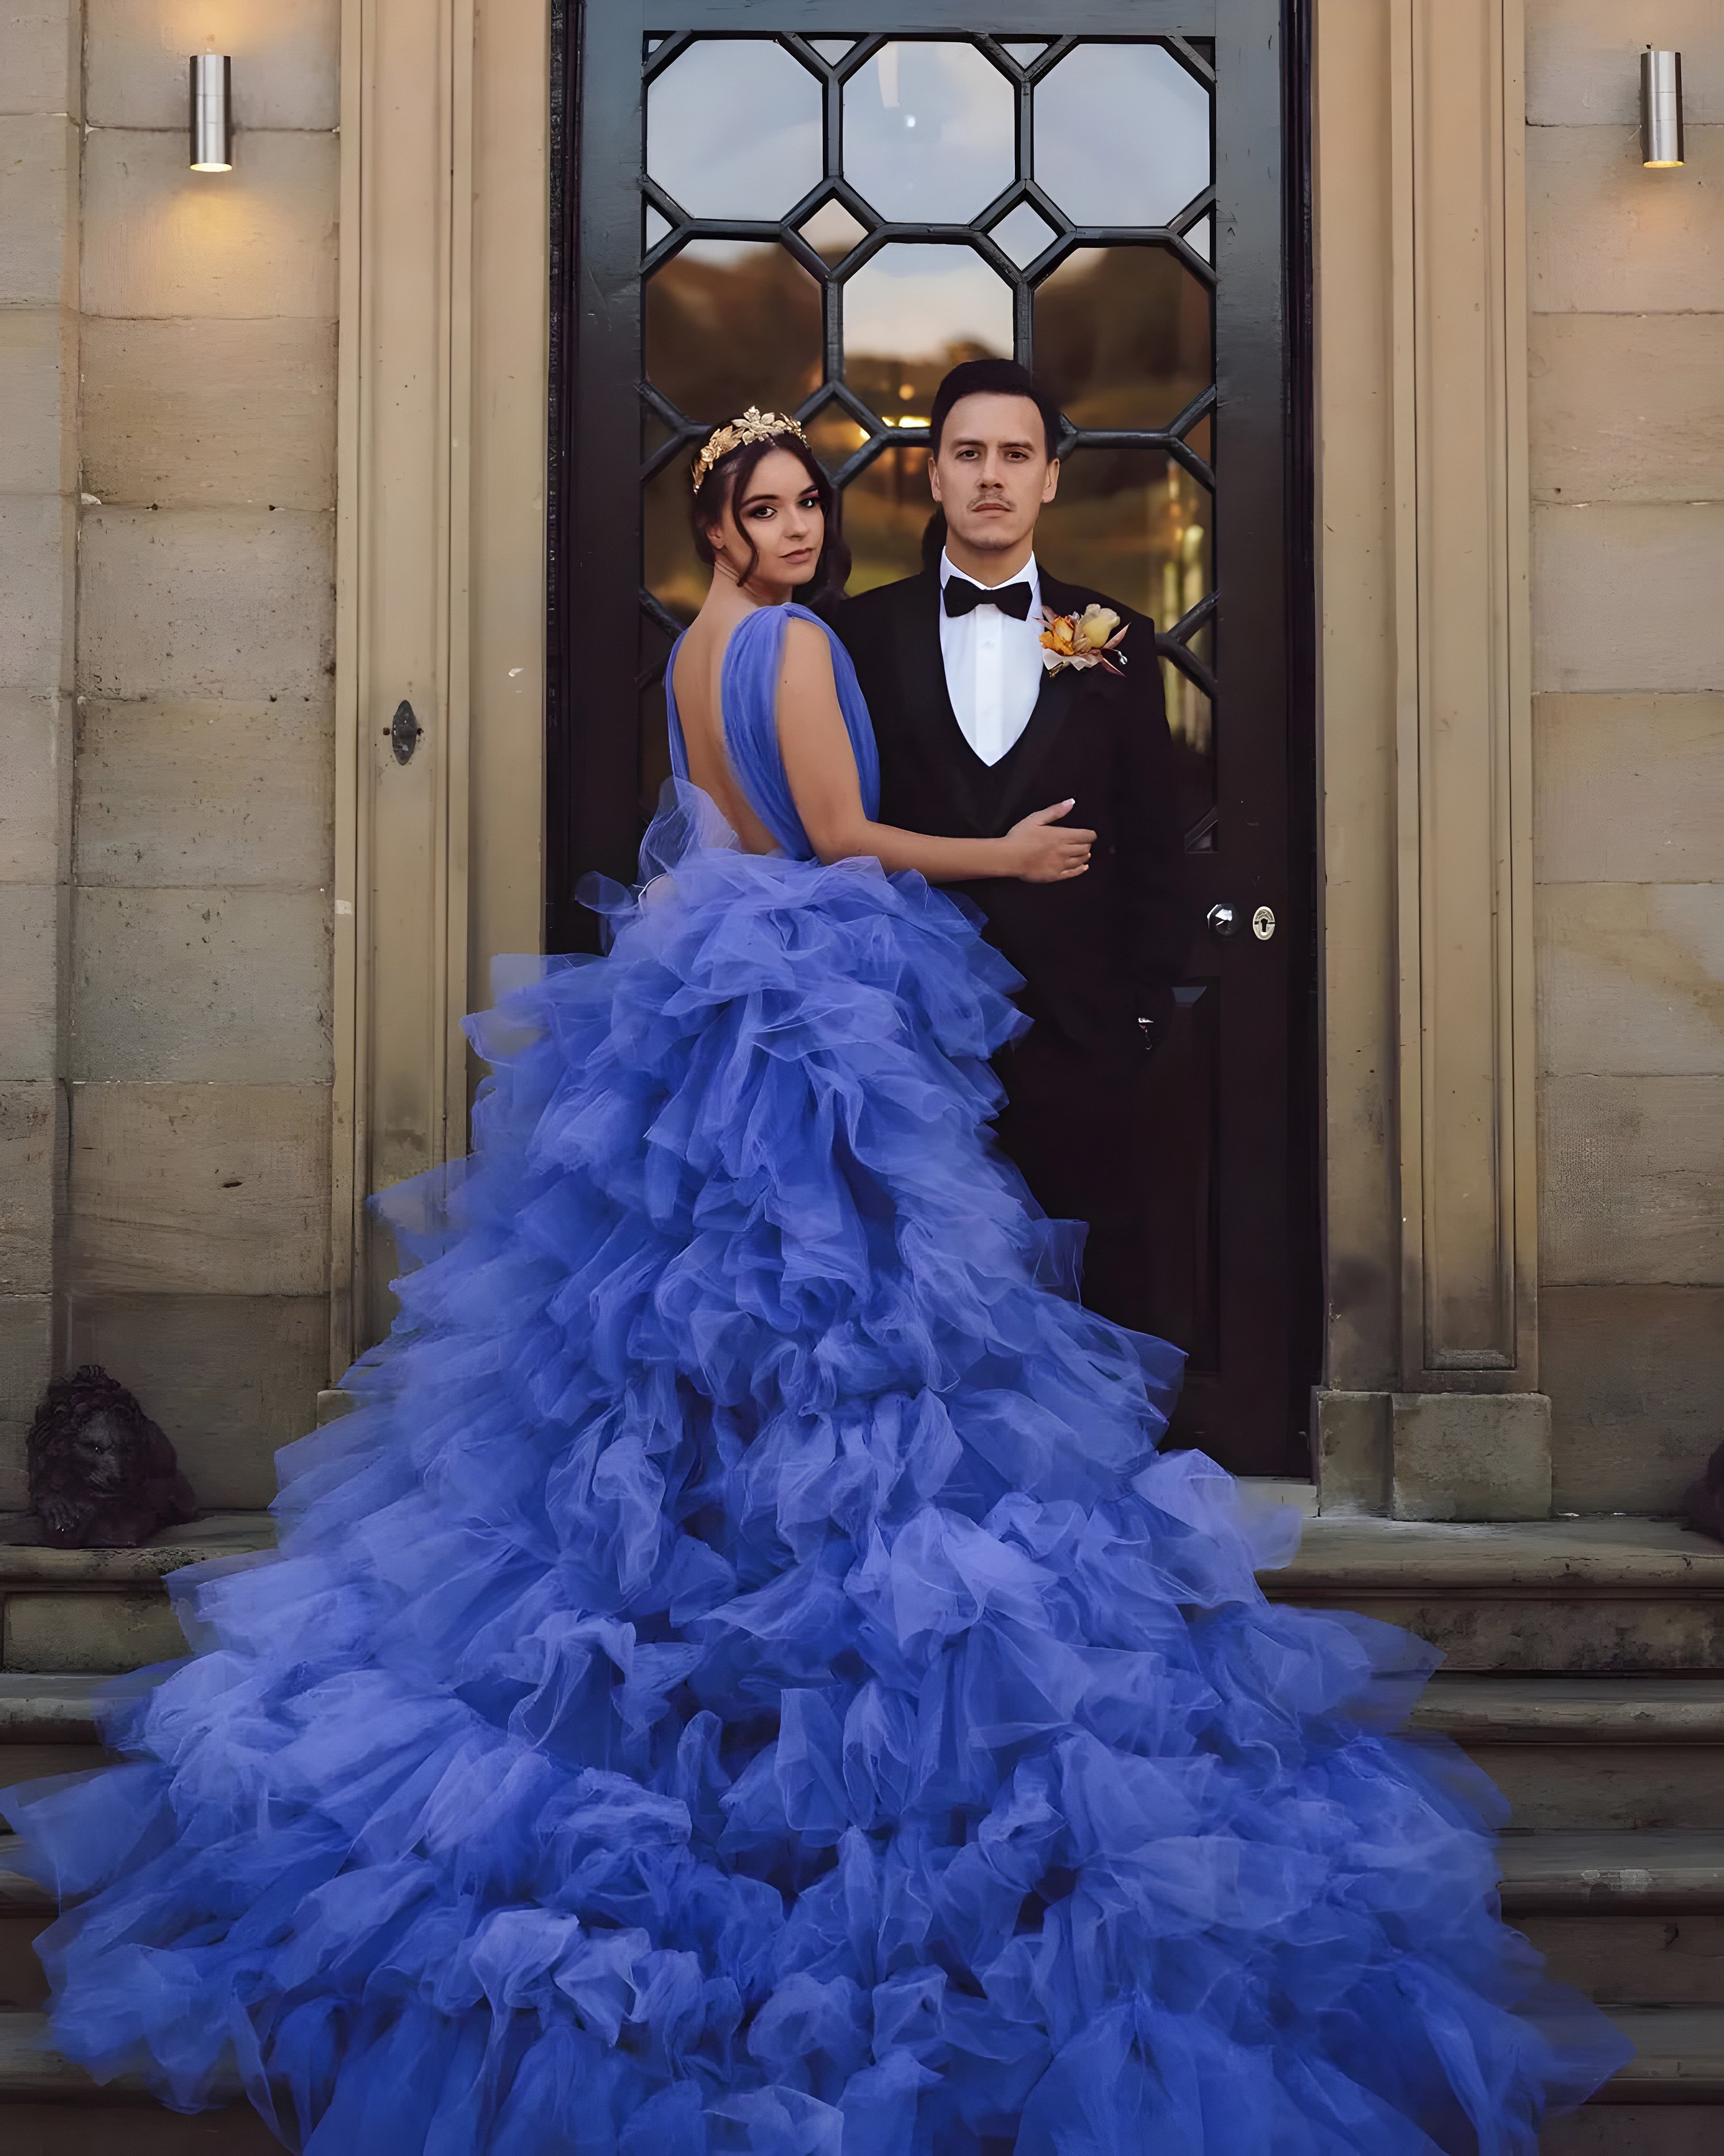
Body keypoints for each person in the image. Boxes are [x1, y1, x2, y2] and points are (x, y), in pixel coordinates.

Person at [5, 407, 1624, 2154]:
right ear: (720, 523)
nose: (795, 530)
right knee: (852, 1326)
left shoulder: (724, 649)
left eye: (805, 506)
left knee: (686, 1345)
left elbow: (720, 836)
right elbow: (841, 826)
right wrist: (998, 860)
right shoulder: (780, 638)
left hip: (726, 992)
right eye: (766, 507)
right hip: (807, 1004)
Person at [834, 359, 1187, 1334]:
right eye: (970, 453)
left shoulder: (1119, 638)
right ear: (935, 474)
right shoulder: (854, 638)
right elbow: (833, 830)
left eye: (1016, 454)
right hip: (907, 1038)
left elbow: (1152, 838)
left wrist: (1142, 1011)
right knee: (913, 1293)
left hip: (1079, 1037)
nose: (993, 475)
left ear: (1050, 478)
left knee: (1082, 1291)